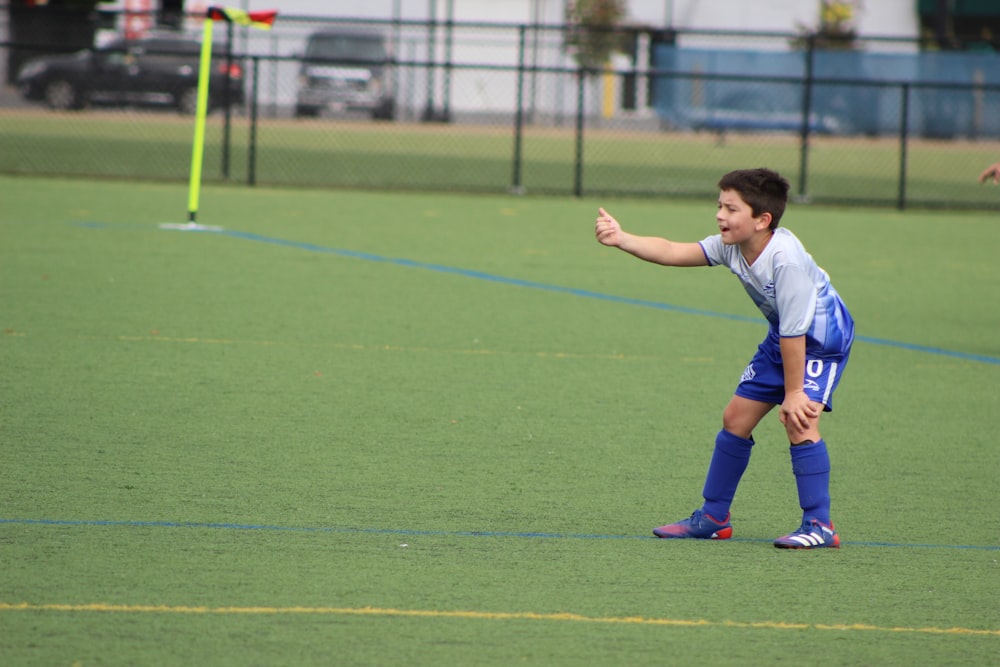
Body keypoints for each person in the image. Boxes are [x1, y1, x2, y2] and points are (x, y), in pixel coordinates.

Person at [594, 168, 854, 549]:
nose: (720, 215)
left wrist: (795, 392)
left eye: (731, 209)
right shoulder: (731, 246)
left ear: (762, 220)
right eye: (720, 205)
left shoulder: (786, 261)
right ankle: (714, 518)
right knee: (735, 418)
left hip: (820, 341)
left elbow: (796, 334)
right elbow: (672, 251)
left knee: (798, 420)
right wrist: (622, 239)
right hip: (783, 335)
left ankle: (819, 525)